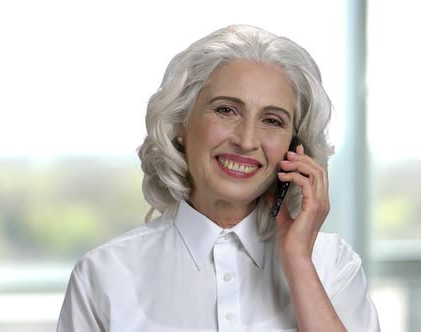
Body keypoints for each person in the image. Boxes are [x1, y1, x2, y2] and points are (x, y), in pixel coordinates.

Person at [57, 24, 380, 331]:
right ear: (180, 123)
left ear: (294, 148)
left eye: (272, 120)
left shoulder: (333, 264)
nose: (247, 140)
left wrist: (298, 263)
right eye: (227, 110)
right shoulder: (104, 274)